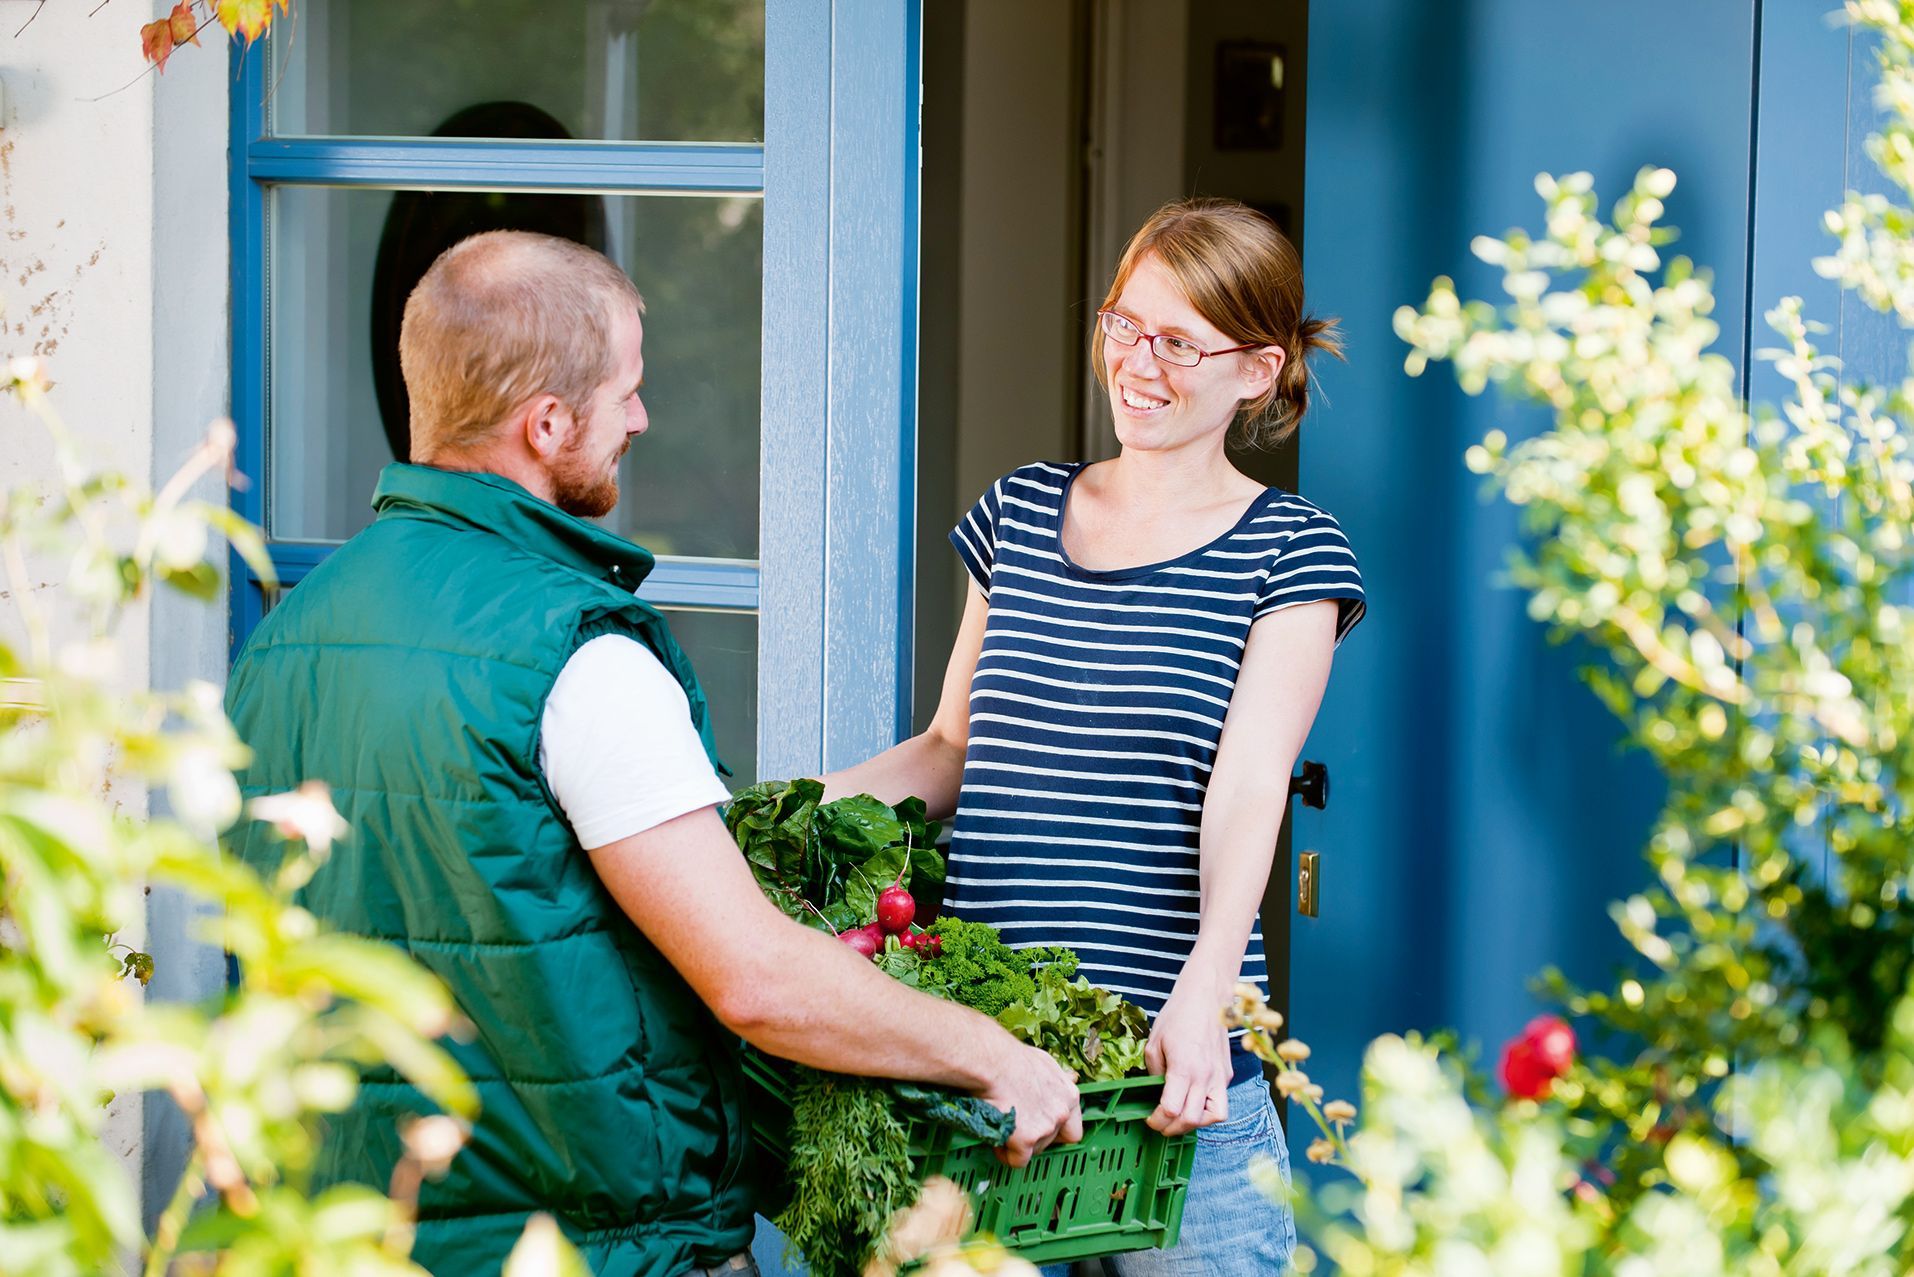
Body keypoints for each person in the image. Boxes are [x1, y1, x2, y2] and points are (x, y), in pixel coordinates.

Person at [223, 230, 1082, 1277]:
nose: (640, 416)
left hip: (338, 1238)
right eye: (625, 390)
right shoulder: (572, 653)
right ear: (546, 423)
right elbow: (756, 977)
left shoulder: (284, 639)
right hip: (586, 1248)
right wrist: (996, 1056)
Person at [822, 198, 1364, 1274]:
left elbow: (1250, 781)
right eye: (1125, 325)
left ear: (1257, 370)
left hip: (1173, 1083)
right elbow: (949, 746)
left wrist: (1209, 985)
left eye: (1178, 342)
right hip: (991, 1076)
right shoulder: (1019, 512)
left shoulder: (1290, 549)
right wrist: (774, 813)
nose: (1138, 363)